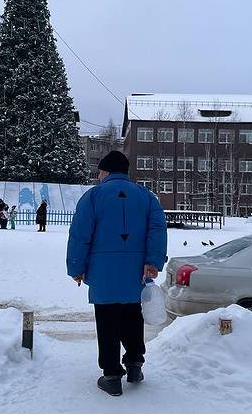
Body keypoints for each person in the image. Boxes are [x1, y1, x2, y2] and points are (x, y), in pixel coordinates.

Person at [66, 151, 167, 397]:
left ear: (107, 171)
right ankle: (134, 365)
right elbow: (157, 228)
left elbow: (80, 234)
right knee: (133, 317)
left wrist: (76, 267)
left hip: (102, 273)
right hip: (136, 272)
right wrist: (152, 261)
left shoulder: (92, 196)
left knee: (107, 321)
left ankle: (111, 375)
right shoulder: (146, 197)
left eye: (99, 172)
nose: (98, 177)